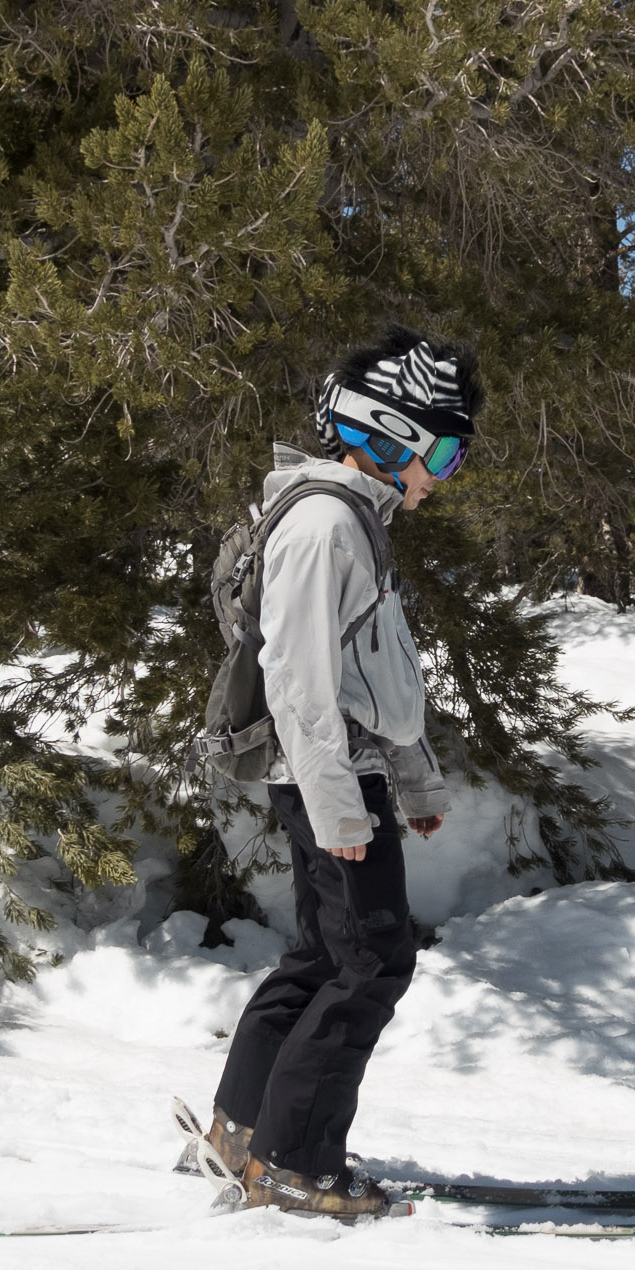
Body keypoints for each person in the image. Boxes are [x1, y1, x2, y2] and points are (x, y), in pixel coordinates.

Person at [204, 328, 481, 1217]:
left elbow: (379, 674)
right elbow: (300, 678)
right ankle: (296, 1161)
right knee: (372, 963)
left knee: (327, 953)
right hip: (329, 777)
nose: (446, 470)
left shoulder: (351, 517)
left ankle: (244, 1133)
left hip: (345, 774)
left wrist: (417, 781)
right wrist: (342, 810)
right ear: (385, 430)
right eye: (442, 446)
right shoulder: (325, 524)